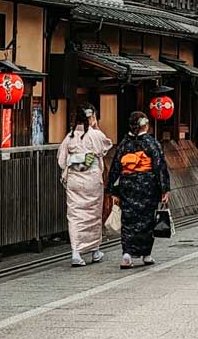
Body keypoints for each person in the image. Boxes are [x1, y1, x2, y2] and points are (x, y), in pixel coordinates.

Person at [106, 111, 171, 268]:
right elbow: (159, 166)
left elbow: (115, 167)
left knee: (128, 219)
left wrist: (111, 189)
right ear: (146, 125)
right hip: (148, 186)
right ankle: (146, 254)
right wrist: (164, 189)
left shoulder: (124, 144)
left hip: (127, 185)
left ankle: (127, 255)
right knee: (147, 220)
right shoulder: (151, 143)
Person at [58, 104, 112, 267]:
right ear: (91, 117)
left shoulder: (69, 137)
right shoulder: (95, 134)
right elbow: (106, 146)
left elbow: (62, 160)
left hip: (75, 179)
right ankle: (95, 249)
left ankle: (76, 252)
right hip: (92, 178)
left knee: (75, 214)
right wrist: (95, 126)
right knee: (93, 213)